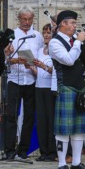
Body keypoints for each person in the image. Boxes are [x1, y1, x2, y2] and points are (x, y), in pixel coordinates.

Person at [49, 10, 85, 169]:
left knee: (79, 129)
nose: (75, 26)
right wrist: (78, 42)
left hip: (81, 89)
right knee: (64, 130)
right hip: (67, 88)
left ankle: (76, 163)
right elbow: (69, 60)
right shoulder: (55, 43)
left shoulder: (75, 41)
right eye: (72, 23)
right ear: (63, 24)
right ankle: (62, 164)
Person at [4, 6, 43, 160]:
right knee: (11, 115)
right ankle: (9, 150)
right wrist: (12, 58)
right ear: (19, 19)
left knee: (29, 117)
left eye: (29, 19)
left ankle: (23, 150)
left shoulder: (37, 36)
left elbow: (40, 56)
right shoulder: (12, 35)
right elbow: (5, 60)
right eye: (24, 19)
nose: (27, 22)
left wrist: (33, 64)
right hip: (14, 79)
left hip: (31, 80)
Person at [34, 23, 57, 161]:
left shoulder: (55, 51)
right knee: (41, 120)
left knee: (50, 120)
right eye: (44, 33)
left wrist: (43, 65)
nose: (46, 35)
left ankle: (52, 151)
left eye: (49, 32)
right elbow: (38, 72)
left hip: (50, 88)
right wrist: (31, 67)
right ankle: (43, 151)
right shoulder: (39, 50)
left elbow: (55, 71)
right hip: (39, 87)